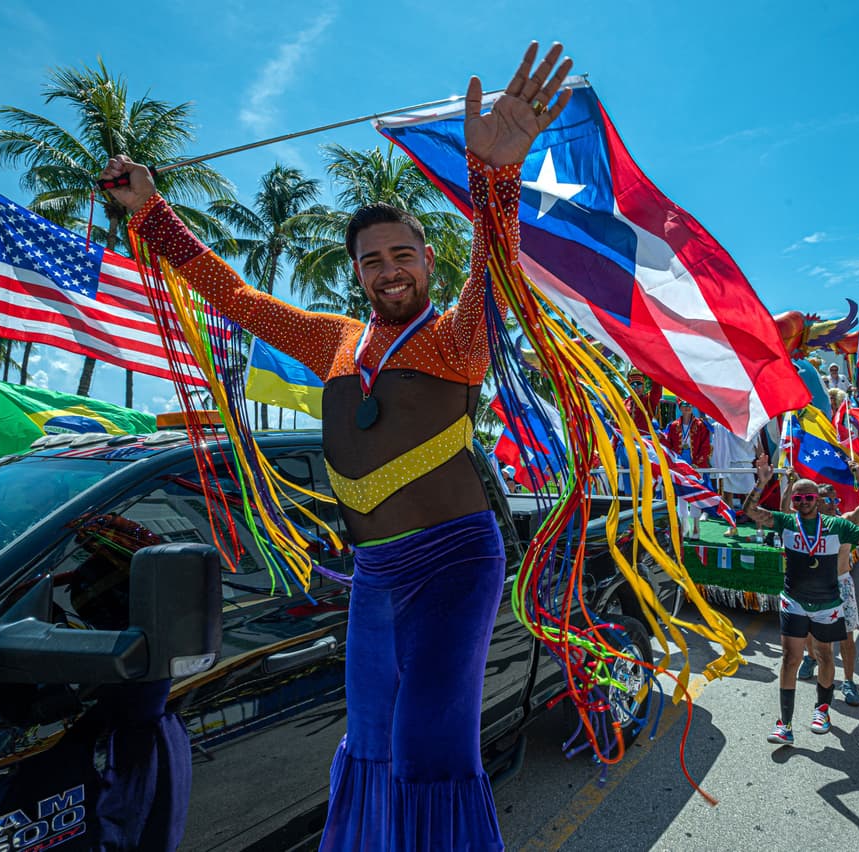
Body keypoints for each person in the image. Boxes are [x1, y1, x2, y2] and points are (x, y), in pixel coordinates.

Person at [100, 41, 573, 851]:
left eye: (402, 256)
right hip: (376, 573)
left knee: (427, 745)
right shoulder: (335, 342)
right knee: (373, 742)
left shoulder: (458, 339)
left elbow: (495, 270)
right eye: (372, 261)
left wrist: (495, 176)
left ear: (427, 260)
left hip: (454, 562)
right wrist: (152, 212)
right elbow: (235, 295)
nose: (389, 271)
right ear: (356, 273)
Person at [744, 453, 859, 745]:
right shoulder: (787, 522)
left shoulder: (838, 525)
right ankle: (785, 724)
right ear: (793, 502)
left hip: (828, 605)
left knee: (825, 655)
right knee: (790, 659)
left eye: (808, 498)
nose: (803, 503)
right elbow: (751, 511)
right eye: (798, 499)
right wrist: (762, 482)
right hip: (794, 602)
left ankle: (822, 711)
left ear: (817, 499)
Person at [795, 462, 859, 706]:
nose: (833, 504)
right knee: (811, 632)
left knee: (846, 637)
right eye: (827, 500)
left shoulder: (846, 521)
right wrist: (791, 483)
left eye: (835, 499)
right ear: (815, 502)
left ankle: (848, 681)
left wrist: (858, 475)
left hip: (841, 585)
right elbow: (784, 511)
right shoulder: (805, 524)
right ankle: (811, 658)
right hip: (813, 587)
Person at [666, 400, 711, 468]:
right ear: (680, 408)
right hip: (678, 459)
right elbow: (669, 444)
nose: (687, 407)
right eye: (684, 405)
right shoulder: (673, 425)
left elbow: (705, 445)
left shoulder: (700, 425)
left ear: (693, 407)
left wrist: (697, 462)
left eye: (690, 405)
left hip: (696, 459)